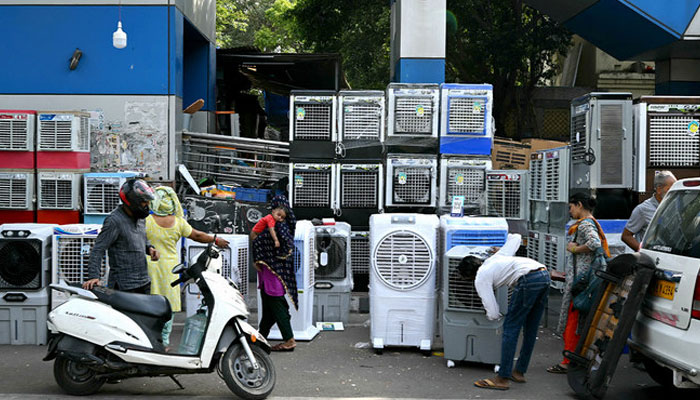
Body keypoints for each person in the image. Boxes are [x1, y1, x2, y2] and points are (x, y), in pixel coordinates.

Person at [461, 234, 550, 391]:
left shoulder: (480, 277)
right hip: (544, 274)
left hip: (528, 279)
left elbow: (493, 312)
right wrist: (499, 248)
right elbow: (516, 237)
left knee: (510, 329)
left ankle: (502, 378)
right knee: (531, 329)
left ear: (469, 275)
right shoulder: (496, 258)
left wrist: (492, 317)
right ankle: (519, 372)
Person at [145, 185, 230, 349]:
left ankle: (149, 341)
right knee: (168, 304)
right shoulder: (178, 223)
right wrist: (215, 239)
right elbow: (197, 235)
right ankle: (164, 342)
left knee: (148, 303)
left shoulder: (146, 222)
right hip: (170, 268)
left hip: (149, 266)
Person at [548, 192, 610, 374]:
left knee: (574, 322)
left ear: (580, 205)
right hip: (585, 280)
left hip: (581, 283)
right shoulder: (589, 223)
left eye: (571, 207)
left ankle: (568, 361)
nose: (570, 211)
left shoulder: (584, 225)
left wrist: (575, 248)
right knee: (579, 321)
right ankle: (576, 358)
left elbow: (594, 243)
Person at [83, 179, 160, 293]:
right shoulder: (114, 221)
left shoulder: (140, 219)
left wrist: (150, 248)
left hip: (144, 281)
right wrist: (94, 276)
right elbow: (98, 249)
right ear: (134, 202)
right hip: (124, 286)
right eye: (145, 201)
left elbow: (140, 239)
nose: (147, 205)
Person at [252, 195, 298, 351]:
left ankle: (289, 339)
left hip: (273, 273)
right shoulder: (282, 226)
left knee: (277, 306)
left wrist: (258, 248)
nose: (280, 216)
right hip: (271, 272)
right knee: (269, 308)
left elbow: (257, 239)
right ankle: (260, 339)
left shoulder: (278, 227)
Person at [622, 171, 676, 251]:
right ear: (659, 189)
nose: (674, 192)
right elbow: (626, 236)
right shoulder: (642, 209)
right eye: (670, 189)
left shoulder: (674, 205)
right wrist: (643, 252)